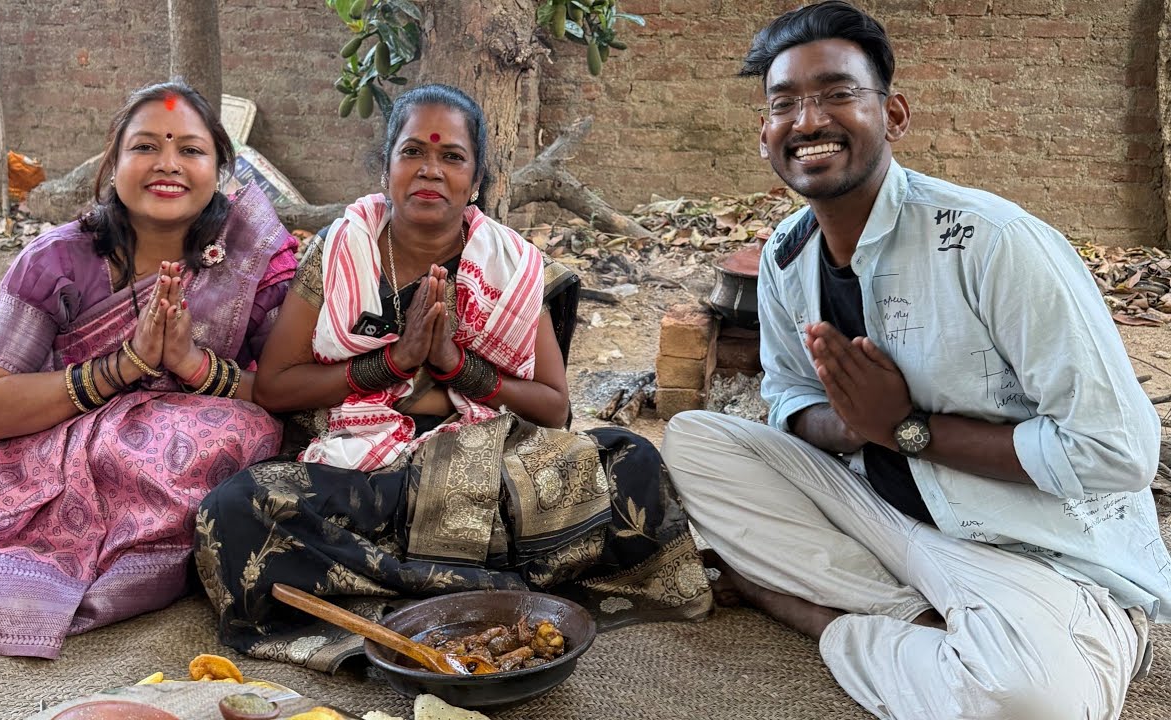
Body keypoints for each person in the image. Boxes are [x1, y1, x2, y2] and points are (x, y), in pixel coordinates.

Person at [661, 3, 1170, 718]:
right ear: (765, 133)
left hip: (1028, 545)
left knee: (1033, 707)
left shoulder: (992, 244)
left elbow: (1118, 453)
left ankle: (823, 616)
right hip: (885, 519)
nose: (808, 121)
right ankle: (940, 621)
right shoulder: (785, 257)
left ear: (893, 115)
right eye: (784, 105)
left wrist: (905, 428)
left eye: (838, 93)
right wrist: (844, 426)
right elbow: (786, 398)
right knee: (696, 441)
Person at [195, 83, 711, 671]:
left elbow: (553, 410)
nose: (430, 171)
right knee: (235, 511)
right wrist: (391, 363)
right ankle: (492, 595)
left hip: (488, 466)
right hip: (367, 471)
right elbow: (276, 388)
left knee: (633, 461)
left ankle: (404, 597)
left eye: (451, 157)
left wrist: (456, 367)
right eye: (412, 152)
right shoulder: (341, 251)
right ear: (385, 165)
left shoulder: (510, 266)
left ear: (475, 178)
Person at [0, 80, 298, 658]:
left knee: (241, 433)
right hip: (37, 429)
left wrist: (191, 364)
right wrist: (121, 368)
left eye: (190, 149)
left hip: (155, 448)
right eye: (145, 148)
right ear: (113, 163)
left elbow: (285, 395)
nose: (168, 165)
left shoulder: (252, 259)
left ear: (220, 170)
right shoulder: (58, 258)